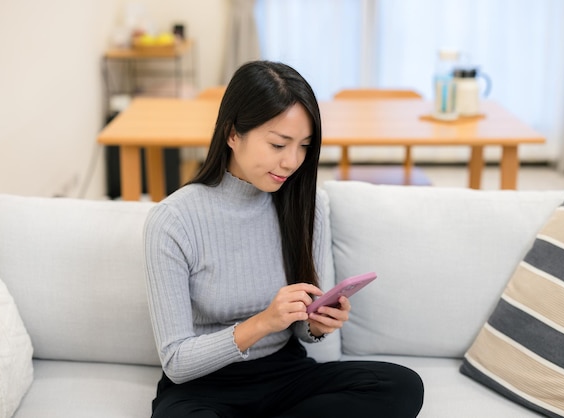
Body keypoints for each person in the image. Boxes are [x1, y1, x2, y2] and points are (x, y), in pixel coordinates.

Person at [144, 60, 424, 418]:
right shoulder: (173, 221)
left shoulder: (308, 207)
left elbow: (305, 335)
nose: (292, 162)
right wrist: (263, 321)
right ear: (232, 134)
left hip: (286, 376)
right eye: (278, 144)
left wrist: (316, 325)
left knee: (400, 386)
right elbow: (177, 362)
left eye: (304, 146)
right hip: (203, 386)